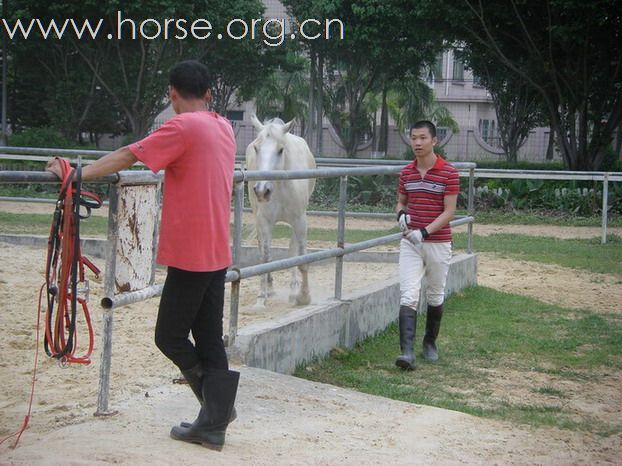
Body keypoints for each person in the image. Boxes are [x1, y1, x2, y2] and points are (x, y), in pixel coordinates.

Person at [46, 60, 238, 450]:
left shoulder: (182, 127)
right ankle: (214, 420)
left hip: (192, 253)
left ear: (171, 94)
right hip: (218, 250)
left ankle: (217, 413)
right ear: (209, 95)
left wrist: (76, 174)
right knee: (208, 338)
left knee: (168, 336)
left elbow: (127, 156)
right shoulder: (223, 125)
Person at [395, 120, 459, 370]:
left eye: (423, 138)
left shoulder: (448, 172)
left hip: (438, 243)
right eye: (414, 138)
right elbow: (401, 201)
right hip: (410, 243)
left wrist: (426, 231)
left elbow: (450, 211)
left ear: (434, 140)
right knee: (408, 294)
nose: (418, 143)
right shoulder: (407, 172)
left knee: (434, 294)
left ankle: (429, 342)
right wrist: (400, 215)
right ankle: (407, 353)